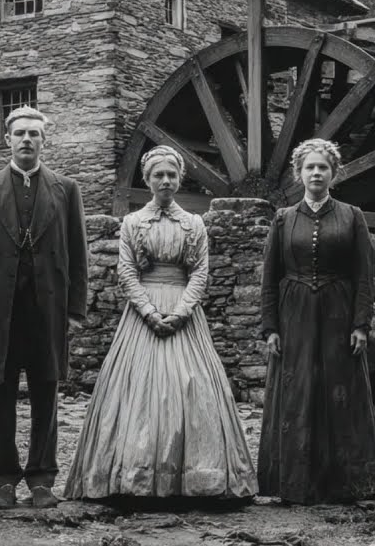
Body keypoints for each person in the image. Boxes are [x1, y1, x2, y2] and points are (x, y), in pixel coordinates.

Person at [64, 145, 256, 500]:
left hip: (184, 312)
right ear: (147, 180)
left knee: (192, 386)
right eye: (158, 175)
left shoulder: (194, 224)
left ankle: (197, 480)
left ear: (179, 179)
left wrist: (181, 311)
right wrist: (150, 312)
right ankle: (132, 479)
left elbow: (199, 272)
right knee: (139, 390)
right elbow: (126, 272)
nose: (165, 180)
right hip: (143, 314)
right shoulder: (133, 223)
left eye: (171, 174)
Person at [0, 106, 89, 510]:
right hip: (1, 309)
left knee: (46, 393)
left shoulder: (66, 189)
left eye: (34, 134)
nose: (27, 140)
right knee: (0, 396)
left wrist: (74, 311)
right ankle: (3, 482)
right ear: (8, 139)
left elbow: (78, 255)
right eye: (20, 134)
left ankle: (41, 479)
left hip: (47, 309)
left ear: (44, 141)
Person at [257, 138, 375, 504]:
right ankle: (293, 483)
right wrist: (270, 327)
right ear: (299, 174)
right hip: (294, 314)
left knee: (340, 392)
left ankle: (344, 482)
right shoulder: (283, 218)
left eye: (323, 167)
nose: (316, 173)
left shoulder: (352, 216)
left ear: (333, 173)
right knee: (296, 392)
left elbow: (364, 276)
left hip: (338, 313)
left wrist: (361, 324)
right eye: (310, 167)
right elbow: (270, 277)